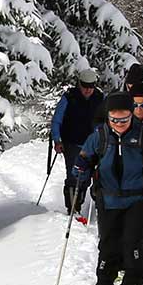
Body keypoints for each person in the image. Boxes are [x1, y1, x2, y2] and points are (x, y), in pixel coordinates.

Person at [74, 93, 143, 285]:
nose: (119, 125)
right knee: (107, 245)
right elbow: (84, 160)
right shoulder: (100, 135)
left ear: (131, 115)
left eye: (124, 119)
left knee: (133, 243)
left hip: (138, 199)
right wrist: (80, 168)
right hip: (108, 199)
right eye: (114, 120)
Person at [50, 65, 107, 212]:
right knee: (74, 176)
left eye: (91, 86)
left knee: (86, 179)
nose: (88, 90)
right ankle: (73, 208)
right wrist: (57, 140)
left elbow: (108, 120)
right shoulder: (69, 97)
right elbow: (57, 120)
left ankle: (80, 201)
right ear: (79, 84)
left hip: (93, 144)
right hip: (72, 143)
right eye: (85, 86)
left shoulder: (100, 98)